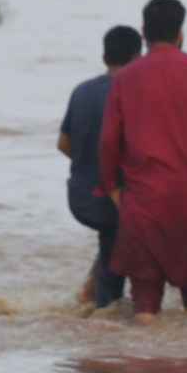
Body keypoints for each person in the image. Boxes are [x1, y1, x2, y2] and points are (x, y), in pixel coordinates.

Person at [97, 0, 187, 324]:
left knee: (144, 301)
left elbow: (108, 142)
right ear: (180, 33)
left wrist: (111, 188)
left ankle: (142, 366)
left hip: (144, 200)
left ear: (144, 32)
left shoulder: (125, 78)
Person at [59, 24, 143, 311]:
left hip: (79, 197)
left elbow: (63, 143)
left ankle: (93, 290)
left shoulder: (81, 90)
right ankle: (108, 310)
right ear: (137, 57)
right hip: (114, 199)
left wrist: (87, 165)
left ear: (104, 55)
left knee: (111, 239)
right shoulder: (132, 92)